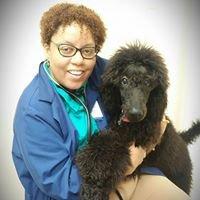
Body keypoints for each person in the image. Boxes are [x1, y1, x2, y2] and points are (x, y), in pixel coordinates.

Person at [12, 2, 190, 200]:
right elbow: (63, 184)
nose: (79, 60)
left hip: (122, 174)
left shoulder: (102, 72)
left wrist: (153, 127)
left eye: (88, 50)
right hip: (78, 192)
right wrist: (128, 163)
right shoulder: (33, 111)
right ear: (47, 47)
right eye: (66, 49)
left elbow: (139, 85)